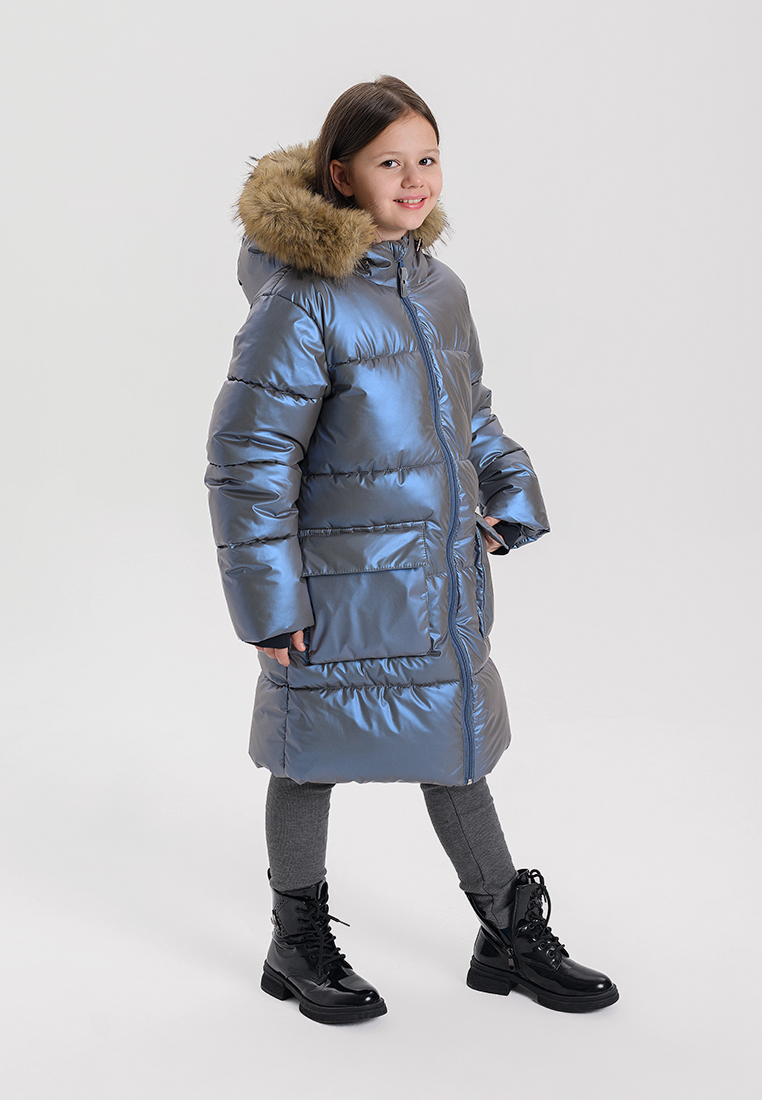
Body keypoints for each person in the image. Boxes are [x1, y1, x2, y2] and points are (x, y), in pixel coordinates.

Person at [206, 75, 618, 1024]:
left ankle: (505, 933)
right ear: (340, 175)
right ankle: (295, 941)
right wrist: (269, 601)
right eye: (388, 161)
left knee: (455, 747)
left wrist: (507, 489)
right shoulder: (302, 302)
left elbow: (469, 412)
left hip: (434, 579)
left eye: (426, 158)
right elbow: (249, 458)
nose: (413, 178)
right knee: (308, 755)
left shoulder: (441, 290)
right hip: (333, 589)